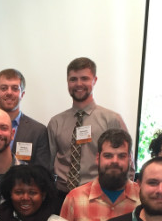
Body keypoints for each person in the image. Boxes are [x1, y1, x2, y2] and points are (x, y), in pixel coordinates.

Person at [47, 57, 129, 208]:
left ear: (94, 80)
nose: (78, 84)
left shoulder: (111, 120)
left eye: (84, 78)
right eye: (73, 79)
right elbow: (49, 165)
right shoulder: (56, 122)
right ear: (67, 82)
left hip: (99, 197)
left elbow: (127, 164)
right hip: (61, 197)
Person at [60, 128, 140, 221]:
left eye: (121, 156)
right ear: (98, 158)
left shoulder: (143, 199)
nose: (114, 162)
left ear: (129, 159)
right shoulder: (75, 198)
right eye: (108, 156)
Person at [0, 68, 50, 168]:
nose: (9, 92)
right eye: (4, 88)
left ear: (22, 94)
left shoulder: (38, 131)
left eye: (15, 88)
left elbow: (43, 173)